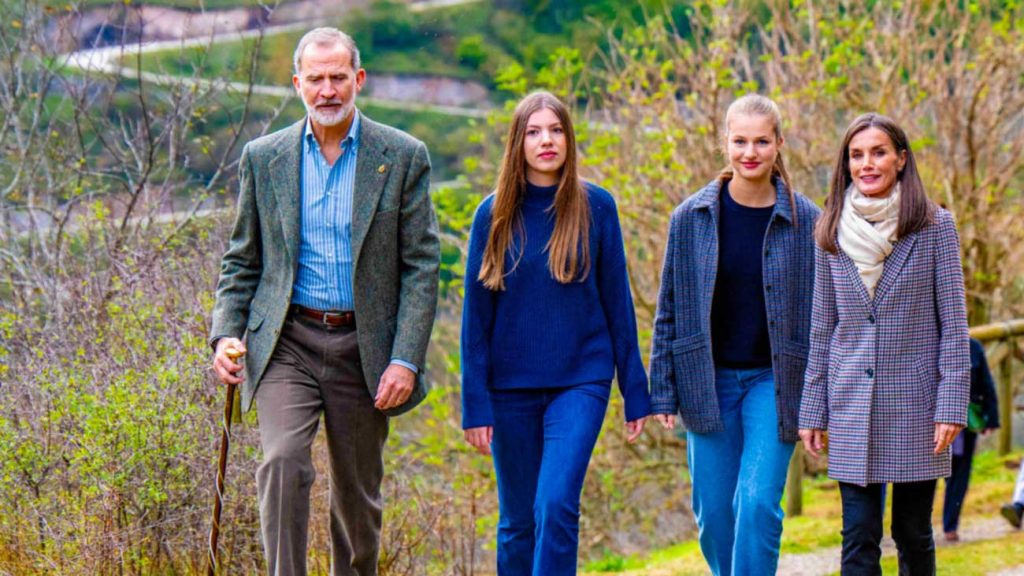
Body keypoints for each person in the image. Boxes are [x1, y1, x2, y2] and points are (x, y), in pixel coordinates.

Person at [209, 27, 440, 576]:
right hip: (287, 340)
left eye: (339, 77)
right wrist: (224, 334)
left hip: (367, 347)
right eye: (316, 79)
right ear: (297, 84)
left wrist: (405, 358)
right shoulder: (263, 159)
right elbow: (242, 260)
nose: (328, 90)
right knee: (283, 463)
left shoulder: (403, 156)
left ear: (359, 79)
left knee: (357, 495)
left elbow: (421, 266)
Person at [460, 91, 650, 575]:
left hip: (580, 381)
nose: (547, 140)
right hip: (509, 389)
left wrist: (636, 391)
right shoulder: (492, 215)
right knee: (518, 523)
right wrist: (475, 403)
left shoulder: (597, 208)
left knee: (557, 504)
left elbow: (618, 303)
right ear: (517, 143)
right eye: (534, 132)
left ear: (569, 137)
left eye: (557, 130)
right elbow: (475, 321)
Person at [648, 94, 820, 576]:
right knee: (715, 517)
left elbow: (822, 318)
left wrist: (822, 396)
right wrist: (661, 390)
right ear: (724, 142)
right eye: (740, 140)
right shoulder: (690, 218)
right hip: (708, 381)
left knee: (758, 504)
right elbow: (670, 309)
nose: (750, 152)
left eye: (762, 141)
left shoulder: (806, 220)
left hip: (775, 382)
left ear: (779, 144)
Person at [798, 113, 970, 575]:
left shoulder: (935, 226)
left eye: (878, 153)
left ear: (900, 159)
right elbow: (822, 328)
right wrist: (812, 410)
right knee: (858, 534)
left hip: (917, 406)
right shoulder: (829, 230)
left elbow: (954, 326)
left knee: (912, 532)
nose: (867, 164)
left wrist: (951, 404)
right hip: (851, 402)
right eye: (857, 155)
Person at [943, 337, 1000, 541]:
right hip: (930, 421)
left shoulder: (973, 347)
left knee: (960, 475)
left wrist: (991, 419)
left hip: (965, 421)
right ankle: (913, 529)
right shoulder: (928, 341)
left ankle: (950, 525)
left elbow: (987, 383)